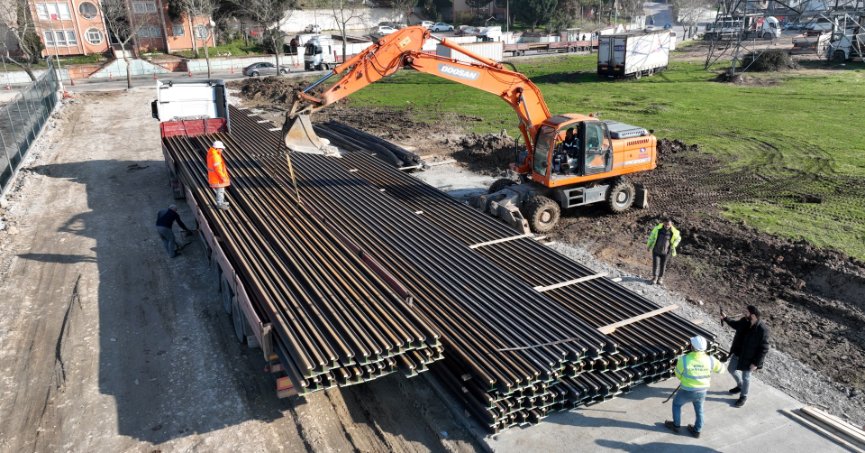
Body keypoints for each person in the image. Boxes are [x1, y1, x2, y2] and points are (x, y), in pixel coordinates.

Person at [665, 335, 724, 438]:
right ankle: (697, 431)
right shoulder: (710, 360)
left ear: (692, 347)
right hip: (702, 391)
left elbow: (678, 374)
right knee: (699, 410)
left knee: (677, 404)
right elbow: (721, 370)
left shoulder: (684, 359)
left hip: (686, 390)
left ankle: (676, 426)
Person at [721, 305, 770, 408]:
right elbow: (735, 325)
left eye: (746, 312)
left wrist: (756, 363)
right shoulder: (744, 321)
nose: (744, 313)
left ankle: (743, 396)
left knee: (746, 377)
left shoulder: (762, 330)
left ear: (753, 315)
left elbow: (764, 348)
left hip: (749, 359)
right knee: (731, 369)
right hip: (738, 353)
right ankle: (740, 385)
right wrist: (726, 318)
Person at [646, 219, 681, 285]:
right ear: (663, 223)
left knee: (663, 265)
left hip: (667, 252)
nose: (667, 226)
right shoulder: (657, 229)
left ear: (671, 224)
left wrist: (674, 245)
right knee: (655, 264)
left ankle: (660, 278)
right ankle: (654, 278)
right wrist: (649, 245)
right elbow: (652, 237)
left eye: (668, 225)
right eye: (665, 224)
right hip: (656, 250)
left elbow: (678, 239)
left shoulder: (675, 232)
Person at [207, 140, 231, 210]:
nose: (222, 150)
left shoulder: (212, 154)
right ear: (217, 148)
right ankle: (220, 204)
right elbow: (218, 169)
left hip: (214, 177)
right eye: (221, 149)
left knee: (221, 190)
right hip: (217, 179)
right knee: (220, 191)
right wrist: (223, 178)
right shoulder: (215, 157)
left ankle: (221, 202)